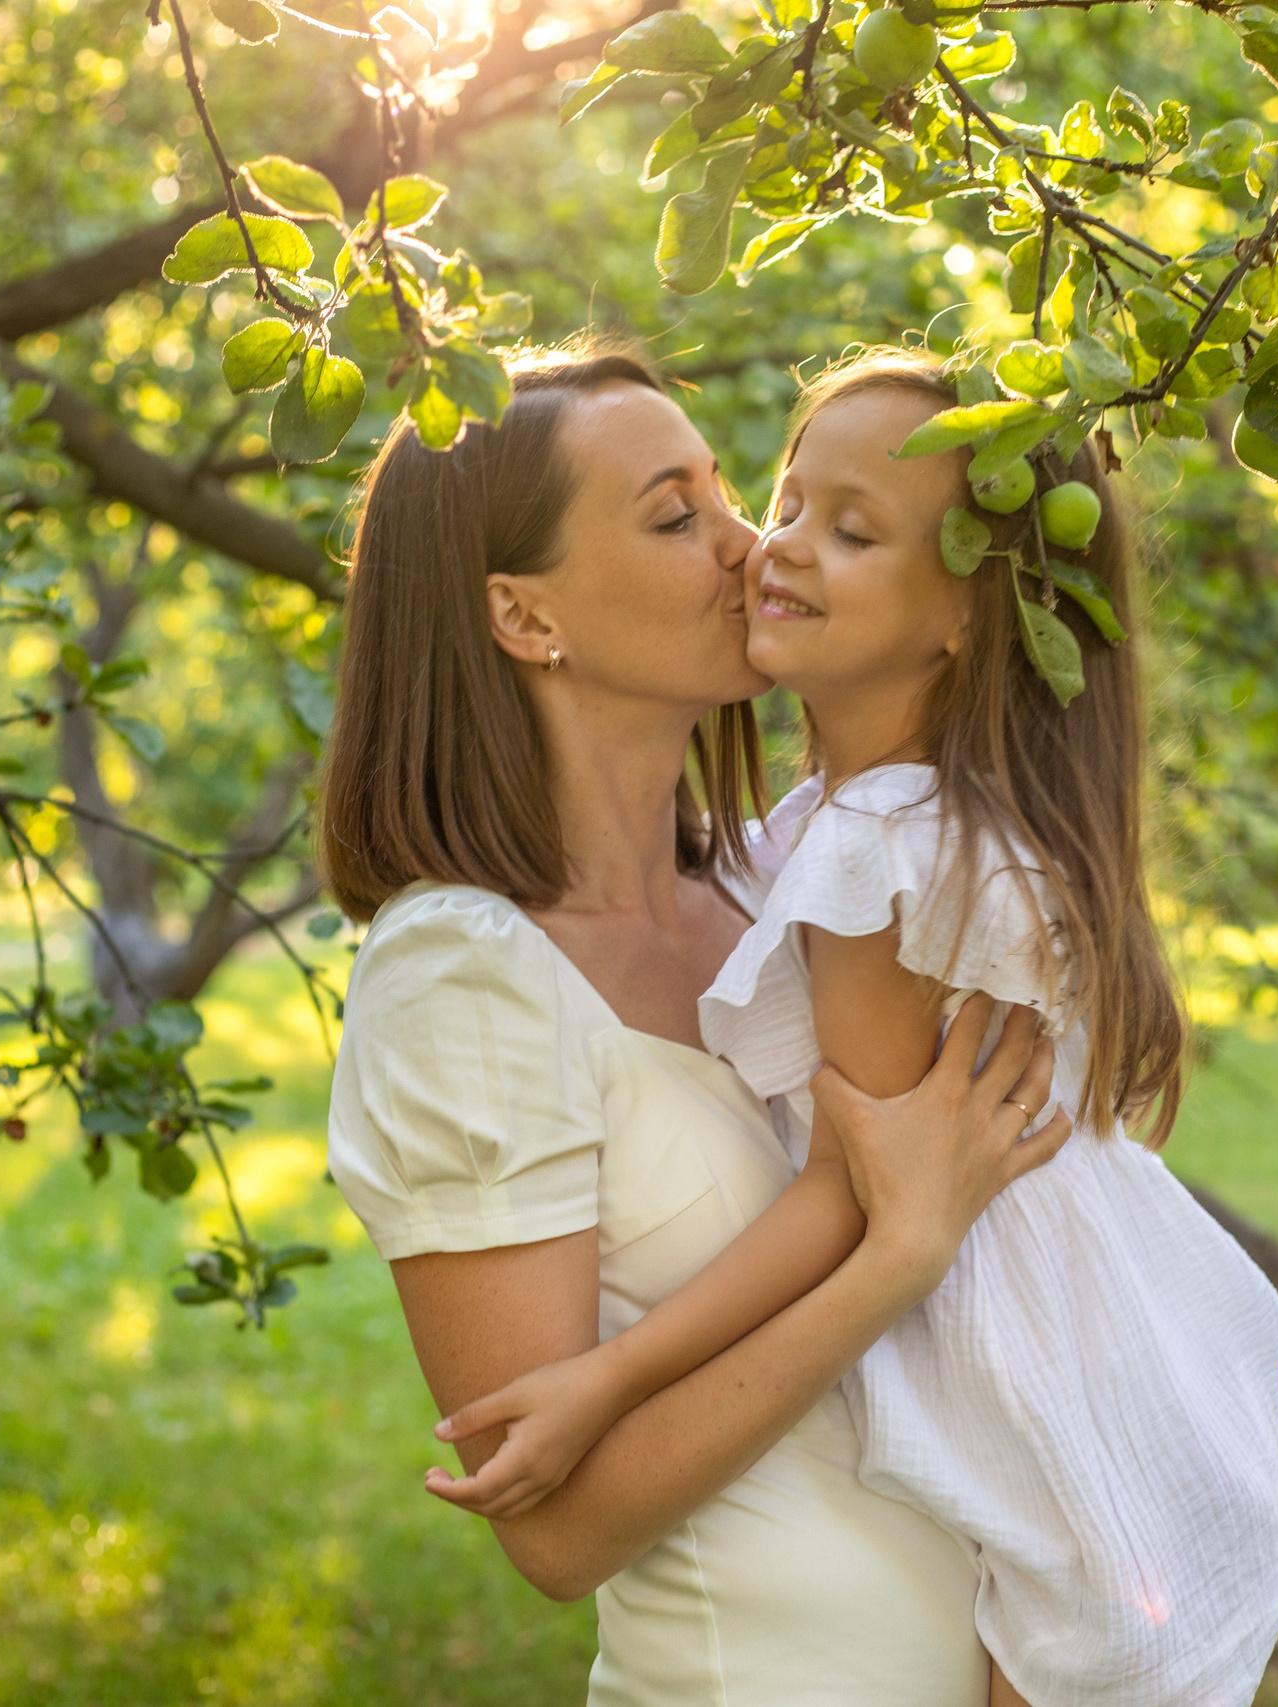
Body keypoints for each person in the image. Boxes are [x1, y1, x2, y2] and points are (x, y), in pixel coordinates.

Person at [429, 350, 1278, 1707]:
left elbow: (853, 1192)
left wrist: (606, 1382)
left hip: (1055, 1407)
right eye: (788, 503)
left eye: (854, 531)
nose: (772, 551)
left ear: (965, 618)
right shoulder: (814, 843)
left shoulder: (882, 856)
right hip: (1074, 1378)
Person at [318, 343, 1075, 1706]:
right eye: (678, 517)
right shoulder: (466, 978)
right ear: (521, 615)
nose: (753, 550)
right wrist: (895, 1254)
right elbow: (553, 1530)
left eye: (740, 499)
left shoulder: (777, 879)